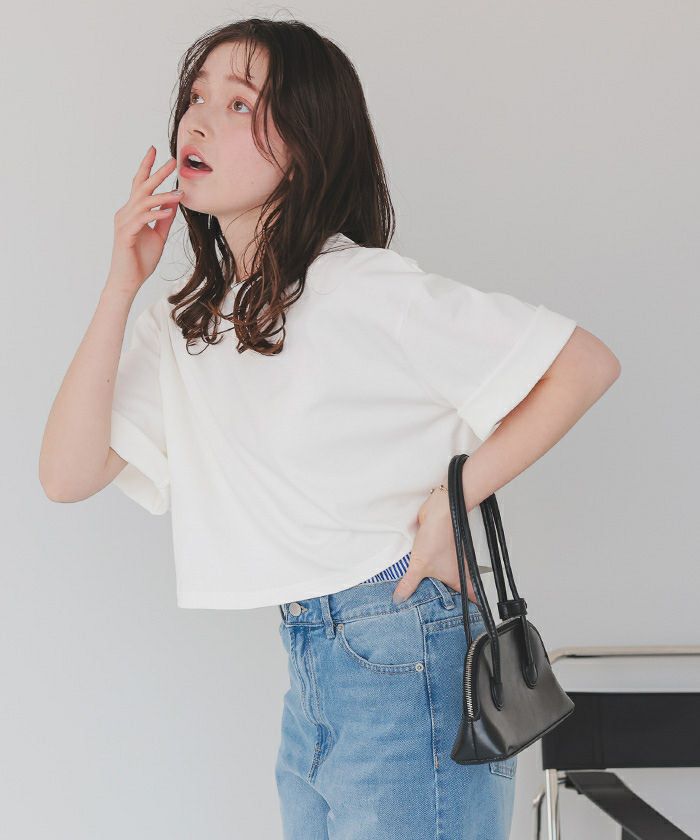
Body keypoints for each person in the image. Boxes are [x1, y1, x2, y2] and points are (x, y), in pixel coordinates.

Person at [38, 17, 621, 840]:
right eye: (196, 96)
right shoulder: (191, 322)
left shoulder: (359, 288)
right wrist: (119, 283)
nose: (198, 120)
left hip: (401, 642)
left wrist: (450, 501)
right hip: (314, 661)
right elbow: (66, 476)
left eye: (239, 103)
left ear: (306, 145)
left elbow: (584, 364)